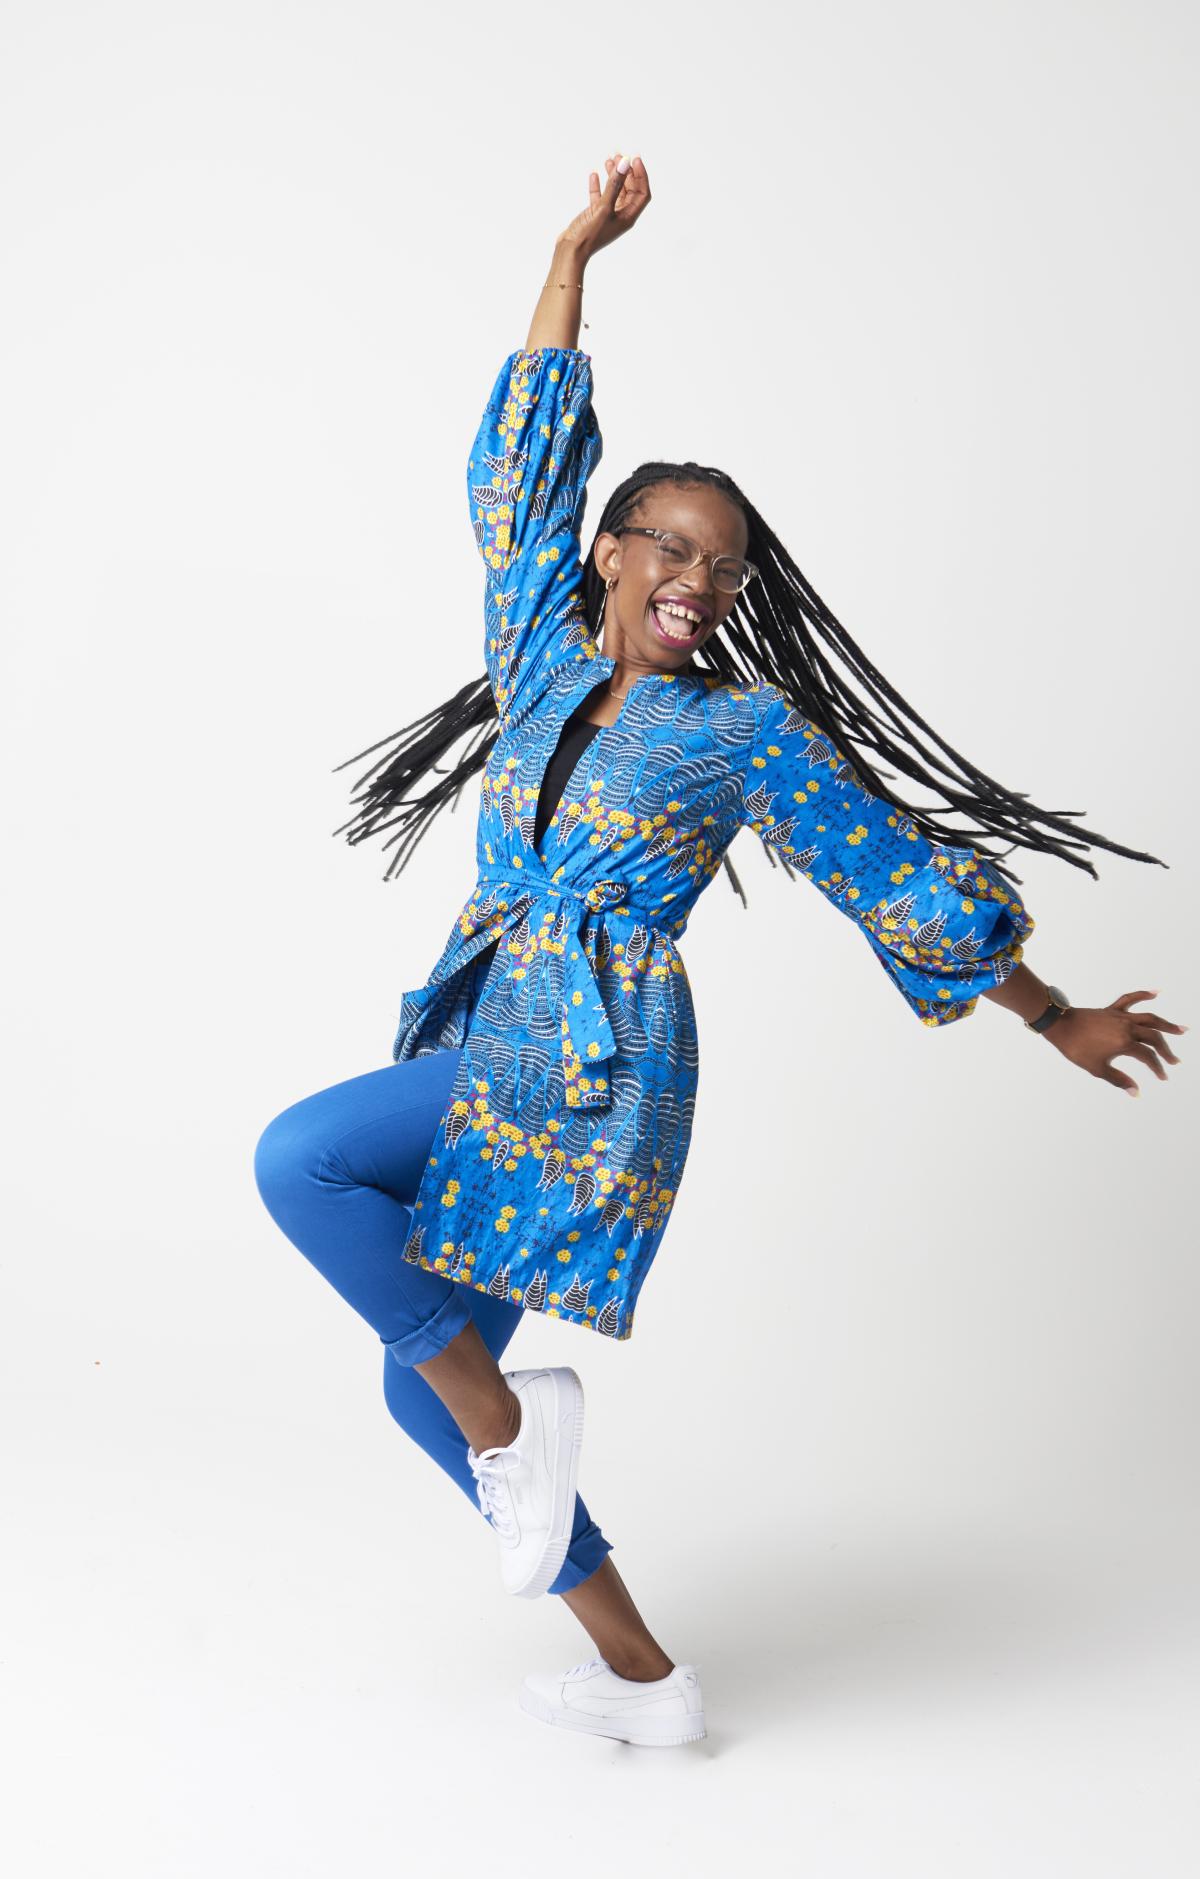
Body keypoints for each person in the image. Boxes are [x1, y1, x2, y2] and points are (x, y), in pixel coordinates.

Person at [254, 152, 1183, 1749]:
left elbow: (892, 874)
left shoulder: (748, 733)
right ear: (614, 552)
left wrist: (1055, 1016)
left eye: (726, 566)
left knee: (304, 1162)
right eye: (674, 550)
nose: (701, 583)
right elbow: (518, 477)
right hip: (490, 1023)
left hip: (595, 1059)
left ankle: (514, 1431)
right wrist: (571, 256)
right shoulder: (539, 656)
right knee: (426, 1388)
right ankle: (646, 1680)